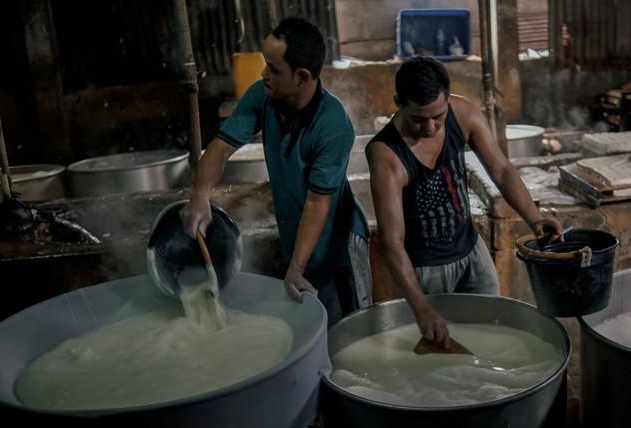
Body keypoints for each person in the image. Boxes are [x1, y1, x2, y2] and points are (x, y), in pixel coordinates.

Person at [179, 16, 372, 328]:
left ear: (302, 76)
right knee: (308, 329)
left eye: (273, 68)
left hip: (337, 250)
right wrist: (199, 196)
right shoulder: (263, 97)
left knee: (344, 331)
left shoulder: (333, 126)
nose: (263, 73)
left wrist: (296, 267)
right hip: (298, 238)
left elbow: (317, 202)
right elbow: (221, 147)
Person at [365, 55, 563, 348]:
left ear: (447, 100)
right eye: (419, 119)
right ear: (398, 102)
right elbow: (392, 241)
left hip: (471, 248)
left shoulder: (463, 114)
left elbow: (501, 168)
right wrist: (421, 308)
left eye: (438, 116)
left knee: (488, 336)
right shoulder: (387, 155)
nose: (430, 128)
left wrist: (535, 218)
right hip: (425, 269)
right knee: (440, 353)